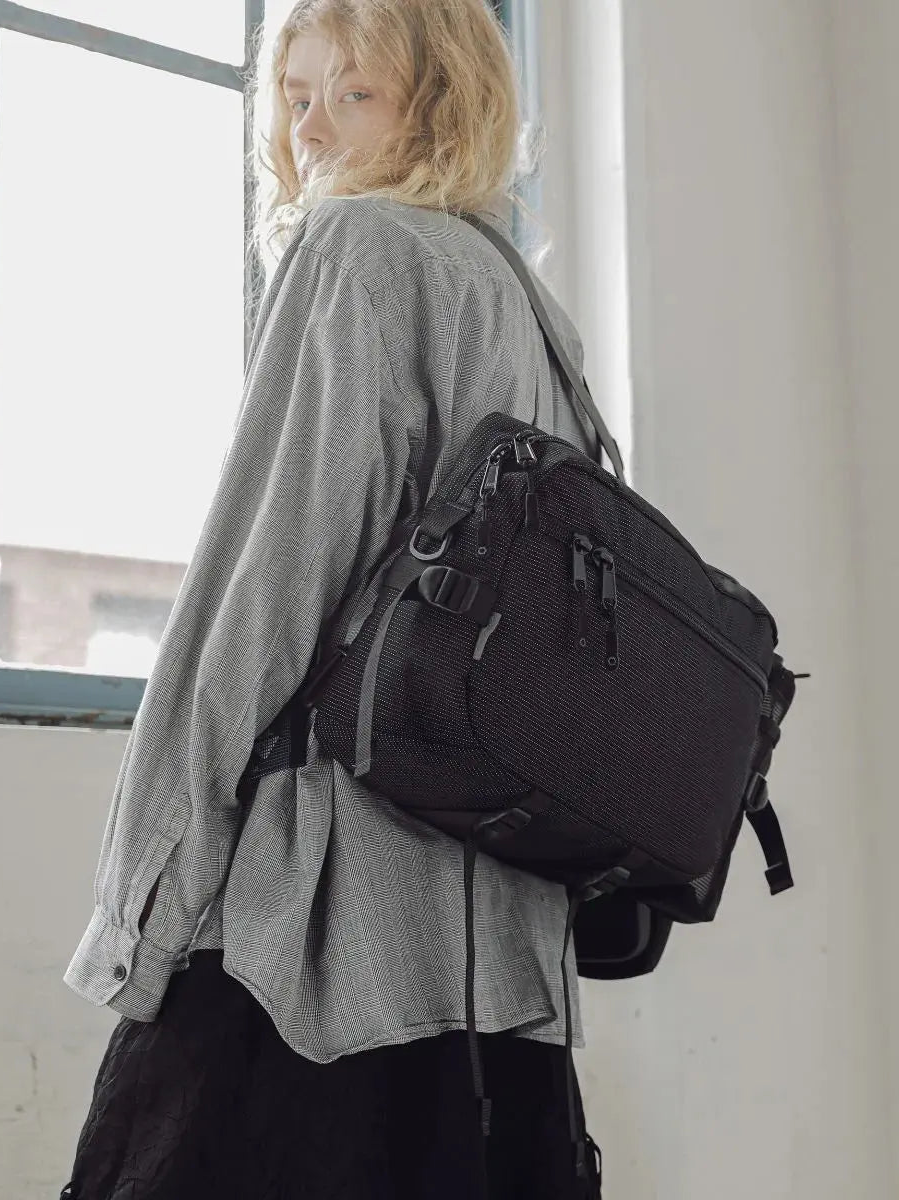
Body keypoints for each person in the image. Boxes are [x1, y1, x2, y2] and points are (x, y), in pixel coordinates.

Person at [59, 2, 604, 1197]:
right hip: (504, 977)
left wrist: (142, 902)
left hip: (316, 947)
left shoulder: (360, 248)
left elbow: (257, 595)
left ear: (441, 106)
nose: (308, 130)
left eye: (353, 94)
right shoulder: (531, 309)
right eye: (295, 96)